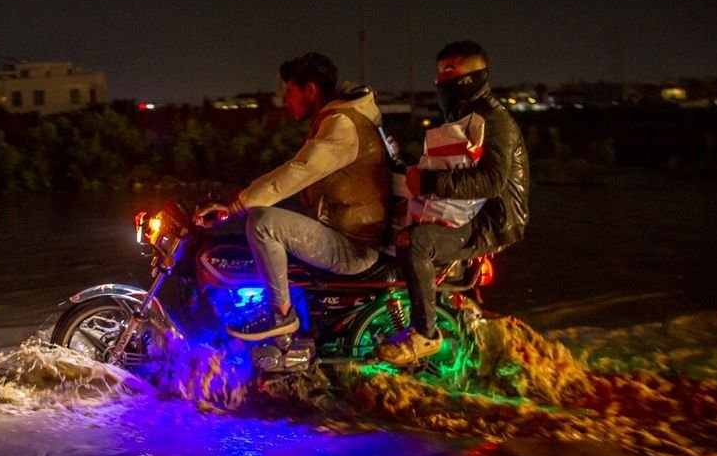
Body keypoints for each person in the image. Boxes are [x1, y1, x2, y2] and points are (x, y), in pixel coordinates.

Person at [193, 52, 391, 341]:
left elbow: (298, 172)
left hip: (354, 245)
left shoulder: (342, 125)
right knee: (258, 222)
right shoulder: (338, 119)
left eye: (290, 92)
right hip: (345, 231)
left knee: (262, 222)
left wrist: (236, 206)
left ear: (310, 90)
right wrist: (239, 197)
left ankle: (281, 313)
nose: (286, 100)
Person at [375, 40, 530, 365]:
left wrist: (428, 183)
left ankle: (425, 335)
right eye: (439, 71)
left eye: (450, 70)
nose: (441, 79)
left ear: (475, 74)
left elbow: (492, 180)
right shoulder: (464, 116)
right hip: (465, 210)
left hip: (491, 223)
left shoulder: (493, 119)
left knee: (414, 242)